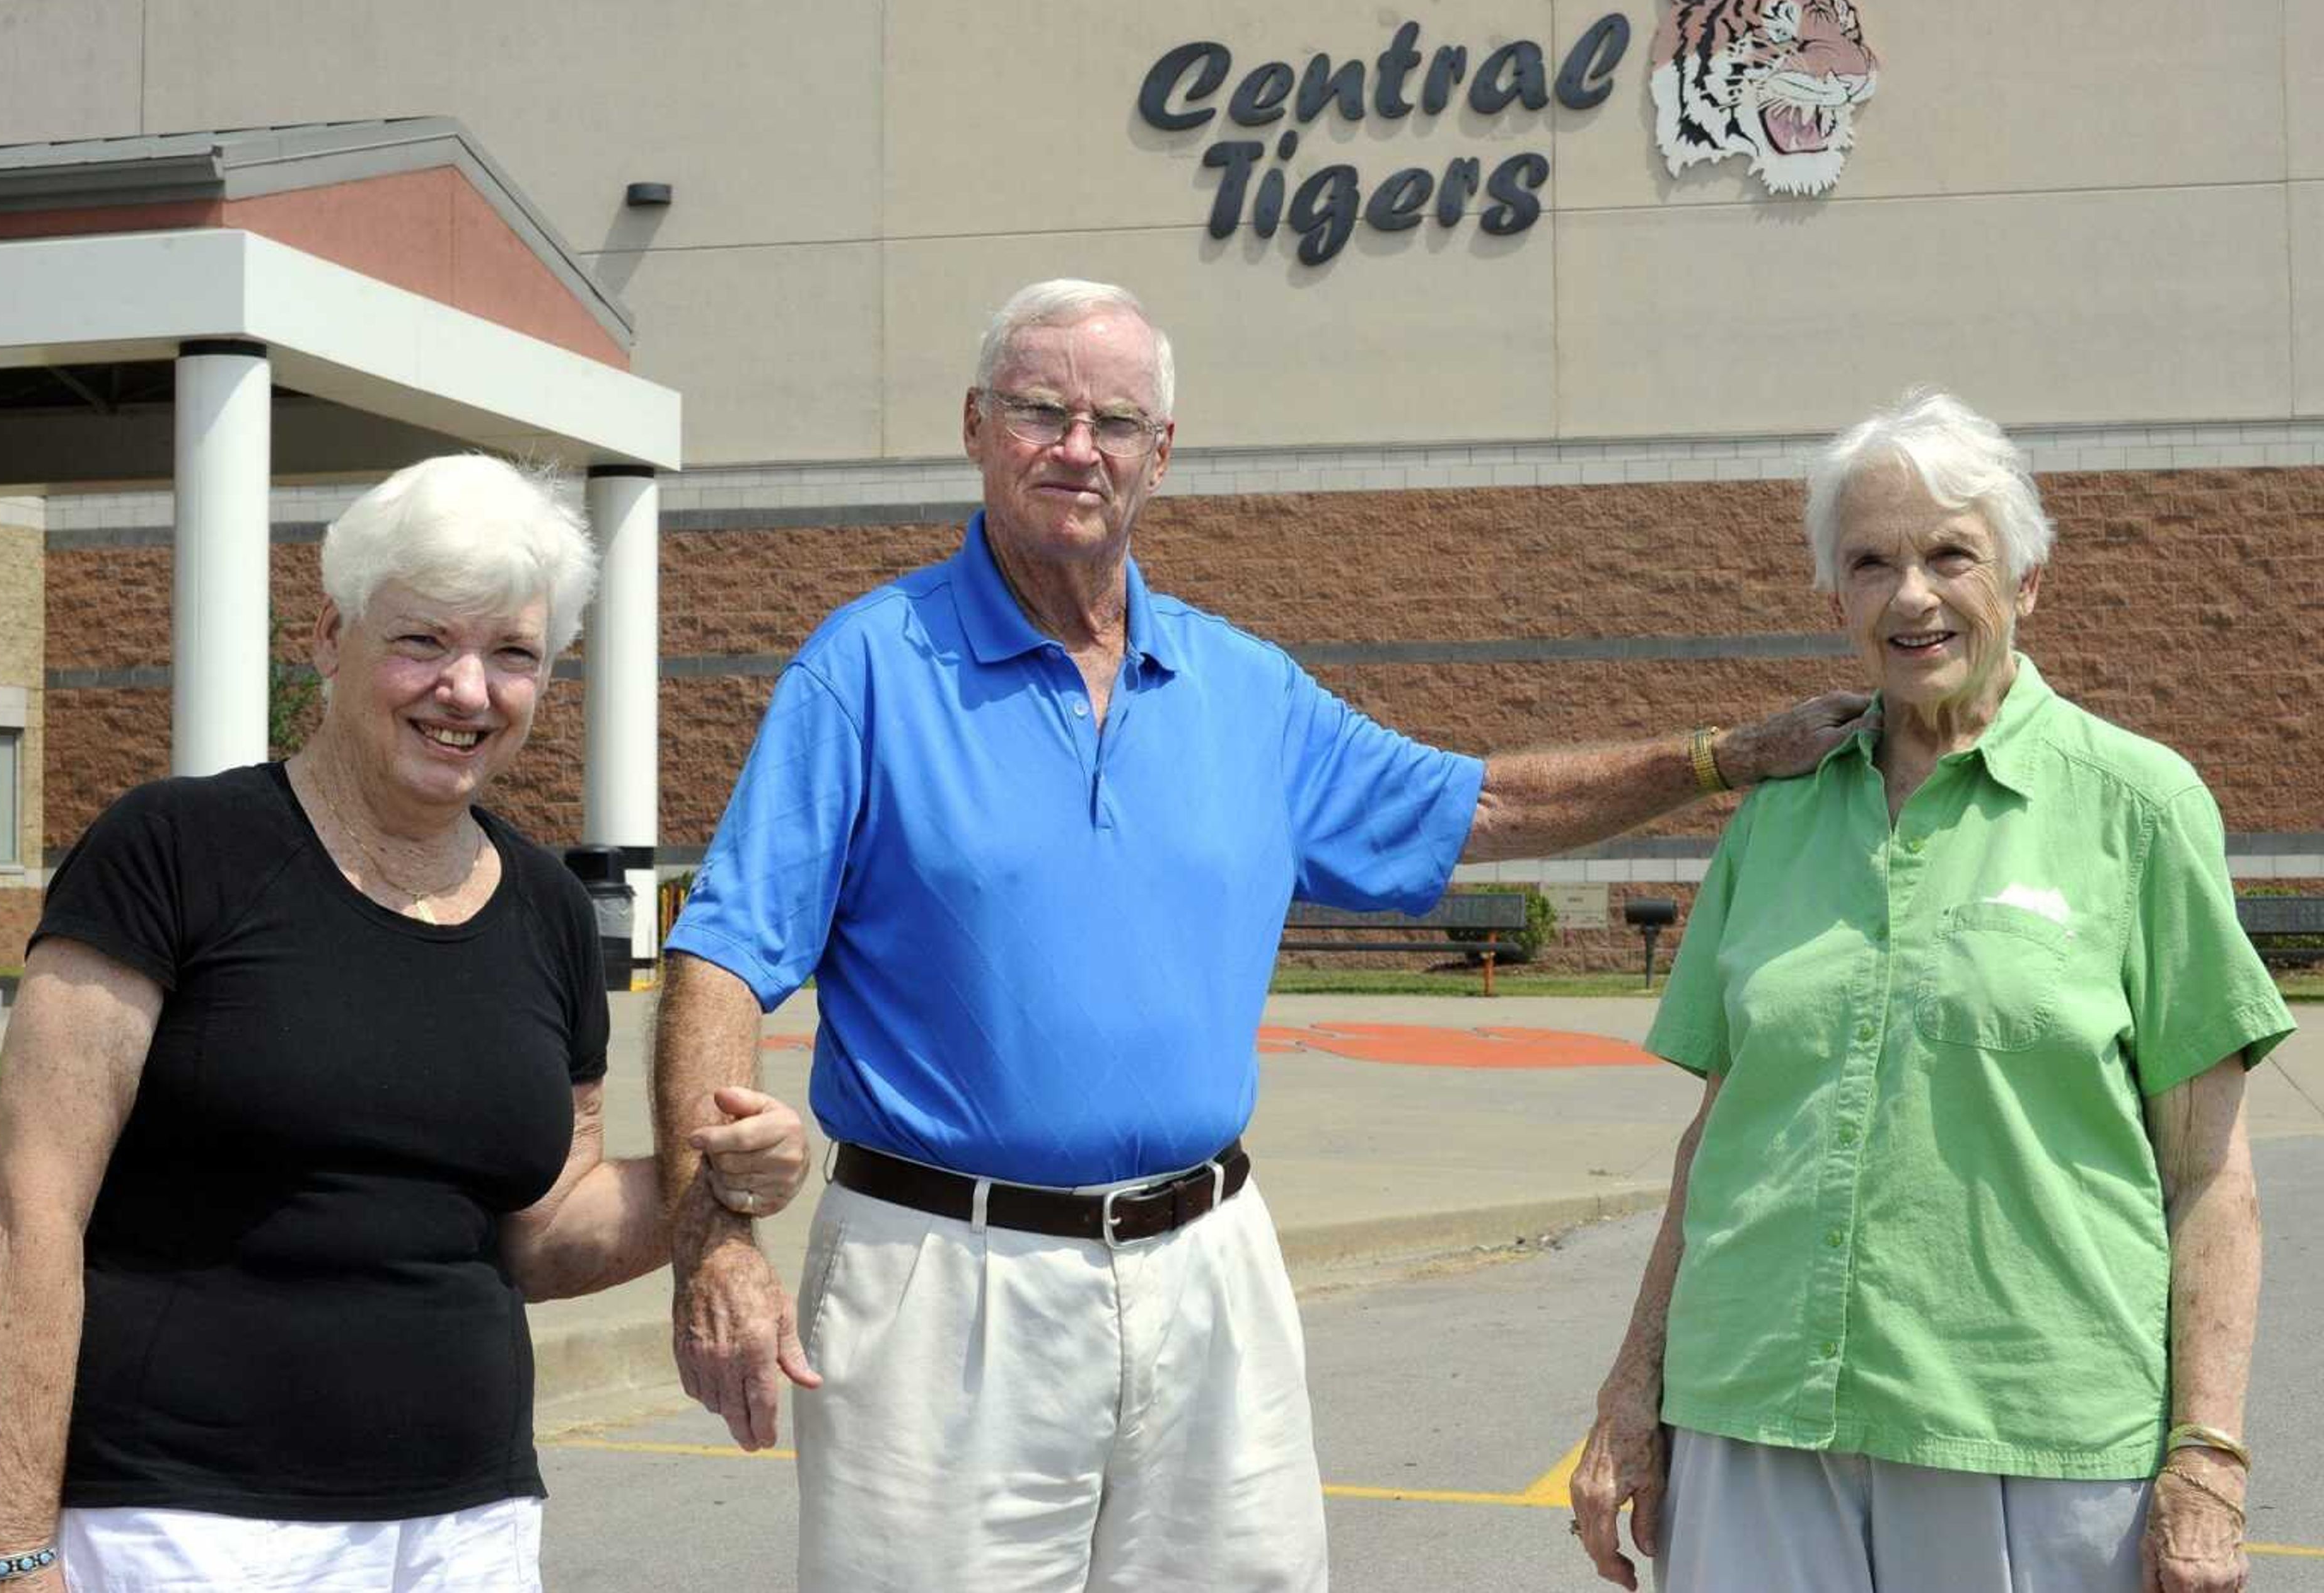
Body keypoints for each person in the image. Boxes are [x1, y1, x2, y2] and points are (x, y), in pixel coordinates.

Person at [654, 277, 1869, 1592]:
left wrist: (1712, 759)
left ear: (1160, 455)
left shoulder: (1243, 688)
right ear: (975, 427)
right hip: (947, 1281)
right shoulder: (866, 669)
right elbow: (722, 956)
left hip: (1207, 1273)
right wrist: (711, 1237)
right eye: (1041, 411)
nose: (1078, 447)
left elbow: (1486, 802)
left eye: (1115, 420)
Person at [0, 455, 805, 1593]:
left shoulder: (547, 908)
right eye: (424, 642)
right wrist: (4, 1546)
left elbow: (542, 1232)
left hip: (468, 1526)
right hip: (189, 1528)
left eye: (512, 655)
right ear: (329, 637)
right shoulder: (173, 853)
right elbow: (30, 1208)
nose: (467, 690)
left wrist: (728, 1180)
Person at [1568, 390, 2292, 1593]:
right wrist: (1632, 1390)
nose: (1913, 595)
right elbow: (1722, 1137)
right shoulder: (1780, 814)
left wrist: (2206, 1456)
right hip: (1752, 1417)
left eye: (1951, 554)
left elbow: (2210, 1173)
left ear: (2026, 582)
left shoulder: (2139, 805)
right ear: (1835, 602)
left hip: (2031, 1439)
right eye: (1871, 563)